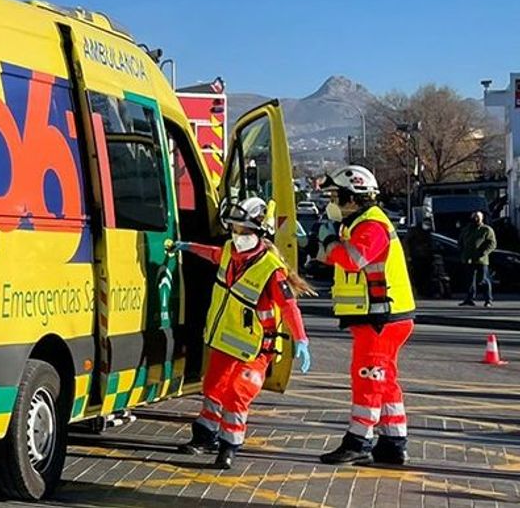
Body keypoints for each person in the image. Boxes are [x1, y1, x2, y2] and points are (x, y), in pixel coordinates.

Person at [171, 196, 313, 470]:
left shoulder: (271, 269)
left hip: (257, 347)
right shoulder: (228, 251)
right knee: (213, 388)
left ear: (260, 233)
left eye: (244, 231)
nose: (238, 236)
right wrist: (187, 247)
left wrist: (302, 340)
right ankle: (204, 436)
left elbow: (289, 306)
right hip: (225, 340)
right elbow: (213, 253)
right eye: (235, 229)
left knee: (238, 393)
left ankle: (228, 447)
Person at [315, 165, 416, 466]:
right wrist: (324, 245)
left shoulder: (371, 225)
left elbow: (352, 259)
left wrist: (331, 243)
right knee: (385, 381)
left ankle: (358, 441)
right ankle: (393, 442)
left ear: (352, 197)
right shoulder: (358, 223)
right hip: (380, 317)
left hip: (380, 318)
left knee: (367, 379)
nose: (331, 203)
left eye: (335, 196)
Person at [458, 211, 496, 308]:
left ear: (482, 218)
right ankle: (469, 299)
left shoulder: (486, 230)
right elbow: (461, 241)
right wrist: (462, 251)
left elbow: (492, 244)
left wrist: (483, 252)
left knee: (483, 280)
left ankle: (488, 300)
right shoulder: (466, 229)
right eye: (474, 217)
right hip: (468, 258)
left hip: (481, 259)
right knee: (470, 280)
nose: (476, 219)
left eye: (478, 217)